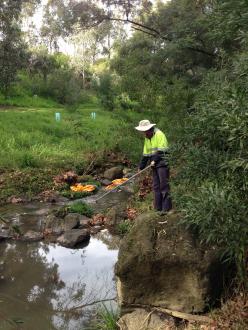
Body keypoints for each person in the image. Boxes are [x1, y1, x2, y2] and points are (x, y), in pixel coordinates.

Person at [135, 119, 172, 213]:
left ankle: (166, 208)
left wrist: (154, 160)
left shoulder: (159, 134)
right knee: (156, 186)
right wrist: (141, 167)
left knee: (163, 185)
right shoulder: (147, 138)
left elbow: (162, 150)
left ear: (149, 129)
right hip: (154, 165)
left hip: (163, 163)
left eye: (144, 131)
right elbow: (145, 155)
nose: (143, 133)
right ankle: (158, 208)